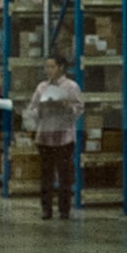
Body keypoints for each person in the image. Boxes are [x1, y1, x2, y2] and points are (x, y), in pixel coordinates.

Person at [27, 53, 84, 220]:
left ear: (61, 67)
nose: (49, 70)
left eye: (52, 66)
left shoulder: (71, 86)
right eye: (47, 67)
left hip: (64, 137)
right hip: (45, 136)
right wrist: (40, 110)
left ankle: (64, 209)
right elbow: (32, 109)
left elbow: (79, 108)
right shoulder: (41, 87)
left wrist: (66, 107)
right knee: (46, 175)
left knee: (64, 175)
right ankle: (46, 208)